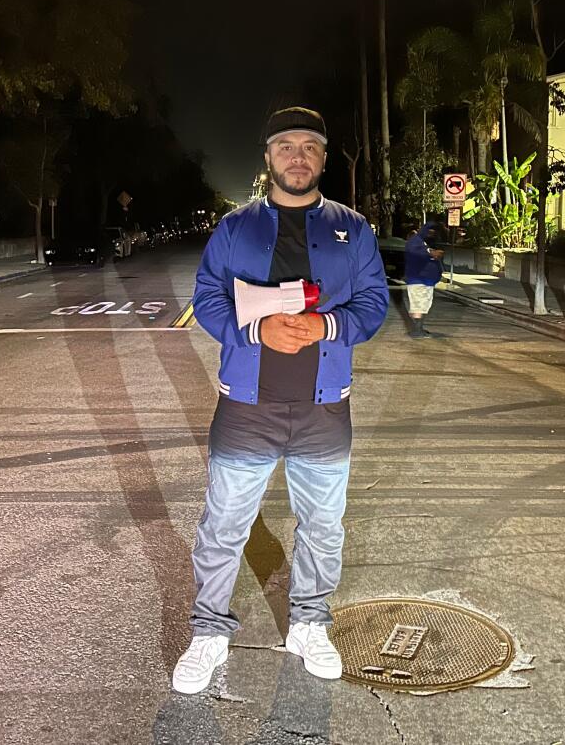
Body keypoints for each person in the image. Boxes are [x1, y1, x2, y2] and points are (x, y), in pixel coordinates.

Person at [175, 106, 389, 694]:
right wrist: (255, 331)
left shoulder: (354, 228)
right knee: (223, 525)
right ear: (268, 156)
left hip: (324, 407)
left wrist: (326, 329)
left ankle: (310, 625)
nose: (299, 156)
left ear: (323, 157)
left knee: (322, 526)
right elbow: (207, 298)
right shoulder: (234, 228)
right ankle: (209, 632)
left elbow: (373, 304)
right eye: (287, 146)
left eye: (310, 147)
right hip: (247, 406)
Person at [404, 222, 445, 338]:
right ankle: (417, 331)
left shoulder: (421, 243)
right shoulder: (414, 243)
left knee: (424, 305)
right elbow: (417, 252)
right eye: (429, 231)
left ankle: (419, 328)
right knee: (419, 305)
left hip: (425, 281)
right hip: (418, 280)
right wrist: (431, 253)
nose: (431, 234)